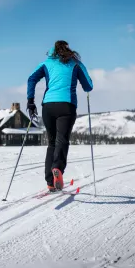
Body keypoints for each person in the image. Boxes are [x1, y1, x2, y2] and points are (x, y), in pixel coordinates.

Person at [27, 40, 93, 192]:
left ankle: (50, 182)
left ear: (52, 51)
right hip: (66, 105)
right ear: (68, 50)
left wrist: (31, 101)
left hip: (48, 106)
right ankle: (57, 168)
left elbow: (31, 79)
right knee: (62, 140)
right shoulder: (75, 64)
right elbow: (88, 86)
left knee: (51, 143)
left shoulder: (46, 63)